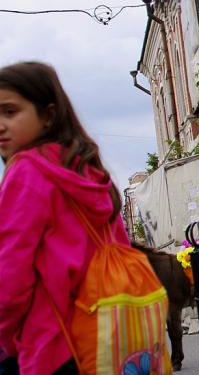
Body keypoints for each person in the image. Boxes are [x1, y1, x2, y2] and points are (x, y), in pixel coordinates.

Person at [0, 62, 130, 375]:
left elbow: (10, 275)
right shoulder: (87, 170)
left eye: (10, 112)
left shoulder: (27, 172)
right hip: (105, 335)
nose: (0, 124)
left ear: (48, 116)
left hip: (50, 342)